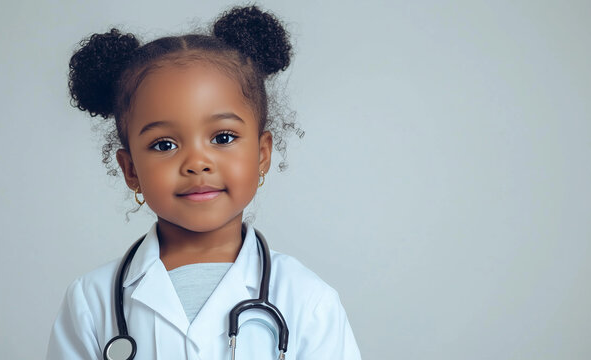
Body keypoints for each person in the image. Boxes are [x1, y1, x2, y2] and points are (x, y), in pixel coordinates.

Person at [46, 5, 361, 360]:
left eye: (223, 138)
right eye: (164, 145)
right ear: (130, 169)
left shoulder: (308, 299)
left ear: (261, 154)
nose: (197, 163)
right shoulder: (92, 301)